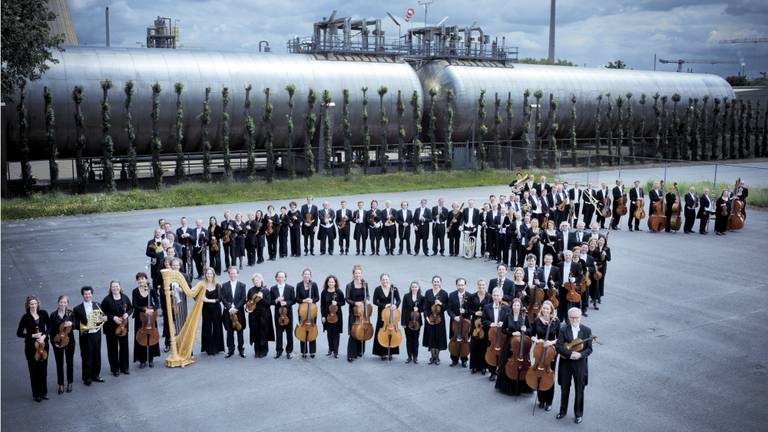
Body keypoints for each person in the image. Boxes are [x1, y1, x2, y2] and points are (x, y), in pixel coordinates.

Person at [556, 307, 593, 424]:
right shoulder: (563, 329)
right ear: (568, 318)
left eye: (576, 317)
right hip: (566, 363)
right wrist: (570, 354)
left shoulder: (587, 330)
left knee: (579, 389)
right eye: (572, 317)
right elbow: (559, 346)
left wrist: (580, 355)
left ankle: (578, 414)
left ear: (580, 317)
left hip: (580, 364)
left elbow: (589, 349)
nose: (574, 319)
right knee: (564, 388)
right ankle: (562, 411)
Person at [527, 300, 560, 411]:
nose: (545, 310)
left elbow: (560, 338)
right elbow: (531, 335)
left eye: (548, 308)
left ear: (551, 310)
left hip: (551, 352)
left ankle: (549, 401)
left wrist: (551, 342)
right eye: (544, 308)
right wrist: (538, 340)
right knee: (539, 373)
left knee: (549, 375)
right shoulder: (537, 320)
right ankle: (541, 399)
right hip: (540, 350)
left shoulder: (555, 321)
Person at [496, 297, 531, 395]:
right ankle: (507, 386)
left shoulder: (524, 317)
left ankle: (521, 387)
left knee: (522, 363)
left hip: (521, 344)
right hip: (510, 343)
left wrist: (525, 330)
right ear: (512, 306)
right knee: (506, 363)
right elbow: (503, 330)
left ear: (520, 307)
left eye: (518, 305)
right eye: (514, 305)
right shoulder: (508, 316)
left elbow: (530, 330)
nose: (516, 307)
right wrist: (512, 333)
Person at [17, 295, 49, 402]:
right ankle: (37, 394)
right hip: (31, 347)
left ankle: (44, 392)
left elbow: (50, 327)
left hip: (44, 346)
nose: (33, 306)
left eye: (35, 303)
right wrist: (32, 336)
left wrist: (44, 336)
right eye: (31, 304)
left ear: (38, 304)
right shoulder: (25, 317)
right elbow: (19, 333)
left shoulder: (43, 313)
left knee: (43, 369)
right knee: (34, 370)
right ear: (28, 305)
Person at [73, 286, 106, 386]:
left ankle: (96, 375)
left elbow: (102, 316)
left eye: (89, 294)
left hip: (96, 334)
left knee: (97, 355)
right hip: (85, 335)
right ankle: (87, 377)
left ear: (92, 294)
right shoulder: (77, 308)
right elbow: (75, 323)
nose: (87, 295)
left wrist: (103, 318)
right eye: (85, 294)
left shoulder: (97, 305)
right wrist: (83, 327)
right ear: (83, 295)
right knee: (86, 356)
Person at [101, 280, 133, 377]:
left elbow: (131, 308)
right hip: (111, 328)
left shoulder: (125, 297)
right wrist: (113, 318)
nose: (115, 288)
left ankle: (124, 367)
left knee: (124, 347)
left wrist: (127, 313)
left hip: (123, 327)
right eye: (113, 287)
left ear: (120, 287)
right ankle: (115, 369)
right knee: (112, 348)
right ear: (110, 288)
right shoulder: (106, 300)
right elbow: (102, 313)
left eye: (117, 286)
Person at [482, 287, 510, 381]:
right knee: (492, 353)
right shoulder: (487, 307)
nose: (496, 297)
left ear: (501, 296)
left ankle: (500, 371)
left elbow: (509, 321)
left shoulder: (506, 308)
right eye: (494, 295)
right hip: (492, 335)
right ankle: (492, 372)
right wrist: (491, 324)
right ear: (492, 296)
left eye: (498, 295)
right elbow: (483, 320)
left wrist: (504, 323)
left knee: (502, 353)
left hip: (502, 335)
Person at [49, 295, 75, 394]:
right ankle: (60, 384)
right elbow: (51, 330)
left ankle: (70, 382)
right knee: (59, 364)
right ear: (58, 302)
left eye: (65, 302)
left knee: (70, 363)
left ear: (67, 303)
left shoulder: (71, 313)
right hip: (58, 342)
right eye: (61, 302)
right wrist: (53, 343)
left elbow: (76, 324)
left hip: (69, 342)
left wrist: (72, 324)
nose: (63, 304)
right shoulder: (53, 315)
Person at [372, 273, 401, 360]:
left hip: (392, 314)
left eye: (386, 279)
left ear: (389, 280)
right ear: (381, 280)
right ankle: (382, 353)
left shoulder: (394, 289)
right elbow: (374, 301)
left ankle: (391, 352)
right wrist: (384, 305)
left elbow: (399, 300)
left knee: (392, 331)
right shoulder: (377, 289)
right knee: (382, 332)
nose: (385, 281)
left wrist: (395, 305)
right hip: (382, 314)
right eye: (383, 280)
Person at [221, 266, 246, 358]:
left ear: (237, 274)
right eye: (231, 273)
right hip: (228, 312)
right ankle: (230, 350)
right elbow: (222, 298)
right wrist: (229, 308)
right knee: (229, 332)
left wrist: (236, 308)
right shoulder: (224, 285)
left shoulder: (242, 285)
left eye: (234, 273)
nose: (233, 275)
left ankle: (241, 350)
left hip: (239, 312)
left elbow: (243, 298)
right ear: (228, 274)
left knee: (240, 331)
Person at [346, 265, 370, 362]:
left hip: (363, 311)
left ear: (361, 274)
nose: (358, 275)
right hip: (354, 312)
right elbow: (347, 298)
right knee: (353, 332)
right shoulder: (349, 285)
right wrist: (355, 303)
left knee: (362, 330)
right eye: (356, 273)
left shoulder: (365, 284)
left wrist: (367, 300)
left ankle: (360, 350)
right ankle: (351, 354)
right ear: (353, 274)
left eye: (359, 273)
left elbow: (367, 295)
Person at [246, 273, 273, 358]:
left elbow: (269, 303)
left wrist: (261, 298)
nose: (256, 281)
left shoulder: (266, 290)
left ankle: (264, 350)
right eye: (255, 280)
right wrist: (247, 309)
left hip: (264, 315)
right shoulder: (251, 291)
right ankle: (257, 351)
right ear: (253, 281)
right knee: (255, 332)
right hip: (254, 315)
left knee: (264, 332)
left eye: (258, 279)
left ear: (262, 280)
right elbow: (248, 302)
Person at [423, 275, 448, 365]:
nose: (436, 283)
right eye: (435, 281)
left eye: (438, 282)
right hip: (430, 319)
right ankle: (432, 356)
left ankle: (437, 357)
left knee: (438, 338)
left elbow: (446, 308)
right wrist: (426, 318)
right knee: (431, 338)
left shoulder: (444, 293)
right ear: (432, 282)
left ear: (440, 283)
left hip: (439, 320)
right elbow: (425, 307)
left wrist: (440, 303)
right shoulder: (428, 292)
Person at [447, 277, 472, 368]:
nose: (461, 286)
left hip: (465, 323)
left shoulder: (469, 296)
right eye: (459, 285)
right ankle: (454, 359)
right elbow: (449, 309)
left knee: (464, 340)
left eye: (462, 285)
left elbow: (471, 310)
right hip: (455, 322)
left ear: (465, 285)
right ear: (456, 285)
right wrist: (454, 317)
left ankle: (464, 359)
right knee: (454, 339)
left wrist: (465, 311)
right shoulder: (452, 295)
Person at [295, 268, 320, 358]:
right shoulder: (299, 285)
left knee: (312, 329)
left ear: (310, 276)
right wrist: (303, 300)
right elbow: (296, 298)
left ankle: (312, 351)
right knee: (302, 329)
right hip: (302, 311)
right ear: (302, 275)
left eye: (308, 274)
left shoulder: (314, 285)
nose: (306, 276)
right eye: (305, 274)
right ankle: (304, 351)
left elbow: (317, 297)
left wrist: (312, 300)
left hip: (312, 311)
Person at [271, 270, 296, 359]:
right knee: (278, 333)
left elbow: (293, 300)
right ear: (276, 278)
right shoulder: (273, 288)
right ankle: (279, 351)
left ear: (285, 278)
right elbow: (271, 301)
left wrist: (286, 303)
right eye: (279, 277)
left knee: (289, 333)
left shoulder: (290, 288)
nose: (281, 278)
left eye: (282, 277)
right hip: (278, 314)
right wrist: (276, 300)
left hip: (288, 314)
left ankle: (289, 351)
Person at [200, 268, 224, 356]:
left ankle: (217, 348)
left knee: (217, 327)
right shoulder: (202, 285)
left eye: (210, 274)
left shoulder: (217, 285)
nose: (209, 275)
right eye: (207, 273)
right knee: (207, 327)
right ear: (205, 275)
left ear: (213, 275)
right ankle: (208, 348)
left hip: (216, 308)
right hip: (206, 309)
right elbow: (196, 296)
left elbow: (220, 299)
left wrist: (208, 300)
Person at [320, 275, 345, 358]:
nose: (331, 283)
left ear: (335, 283)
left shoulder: (339, 292)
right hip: (327, 315)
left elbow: (343, 302)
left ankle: (336, 351)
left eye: (333, 282)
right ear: (327, 283)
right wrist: (323, 316)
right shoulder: (324, 292)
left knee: (336, 333)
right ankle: (330, 349)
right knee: (329, 333)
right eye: (329, 282)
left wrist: (337, 303)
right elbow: (322, 305)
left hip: (337, 316)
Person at [469, 279, 491, 374]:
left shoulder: (489, 296)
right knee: (474, 345)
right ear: (477, 285)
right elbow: (468, 309)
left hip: (484, 323)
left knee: (484, 345)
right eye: (479, 285)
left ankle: (483, 366)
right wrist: (475, 313)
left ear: (485, 286)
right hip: (475, 323)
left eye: (483, 285)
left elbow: (490, 309)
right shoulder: (472, 296)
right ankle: (474, 366)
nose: (481, 286)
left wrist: (484, 314)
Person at [401, 281, 423, 364]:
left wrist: (419, 310)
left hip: (417, 322)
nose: (414, 288)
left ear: (418, 288)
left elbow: (423, 308)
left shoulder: (421, 297)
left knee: (416, 340)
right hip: (408, 321)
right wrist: (403, 322)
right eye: (412, 287)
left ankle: (415, 357)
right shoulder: (406, 296)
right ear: (410, 288)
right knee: (408, 340)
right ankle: (409, 356)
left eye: (415, 287)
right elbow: (403, 309)